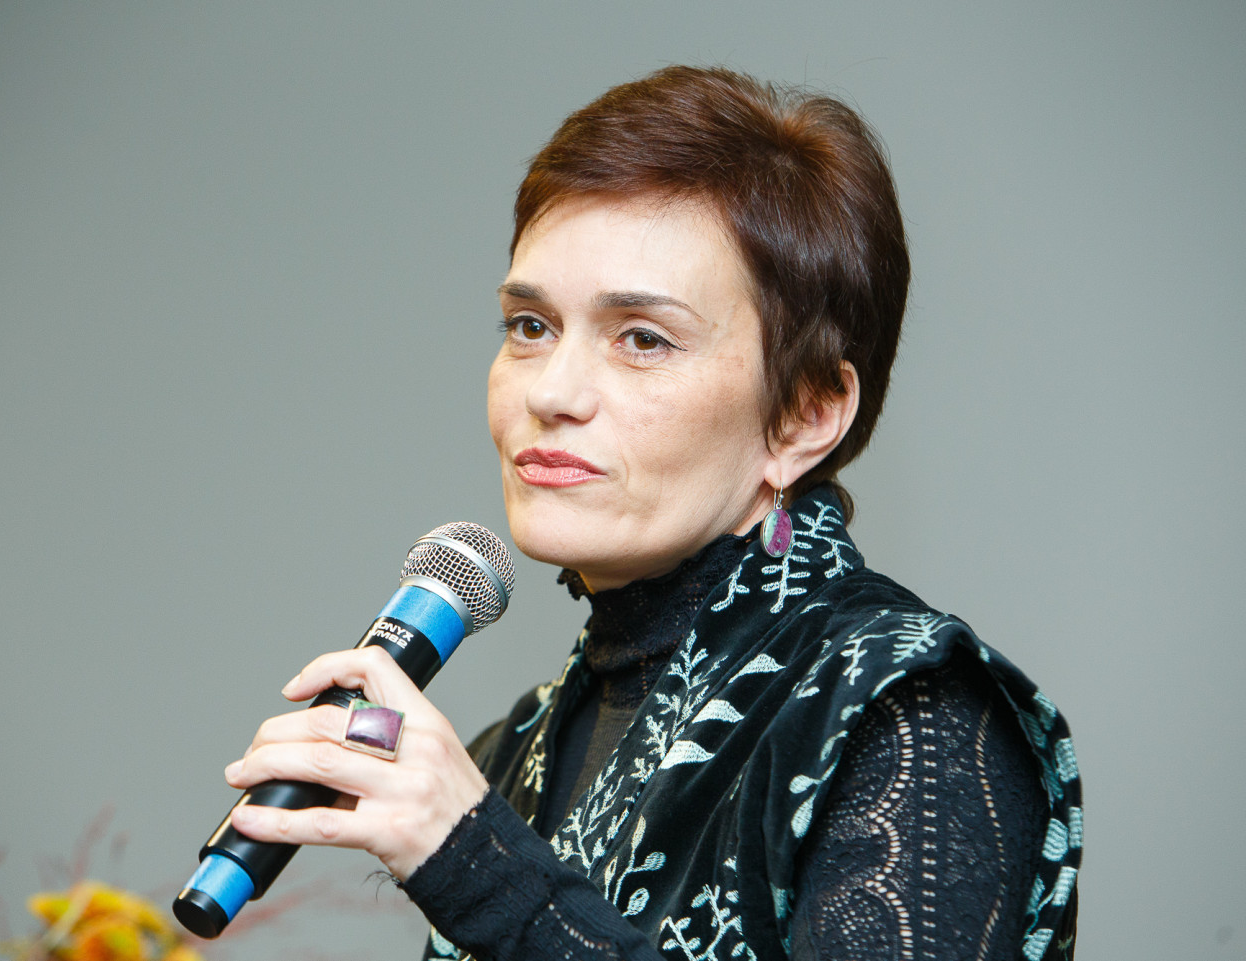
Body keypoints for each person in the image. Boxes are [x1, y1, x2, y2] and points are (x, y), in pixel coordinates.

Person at [222, 66, 1082, 960]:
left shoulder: (910, 713)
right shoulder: (513, 749)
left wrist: (476, 863)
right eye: (529, 326)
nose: (551, 393)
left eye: (643, 338)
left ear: (805, 414)